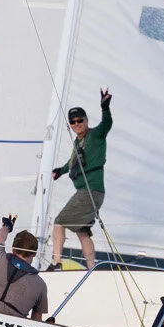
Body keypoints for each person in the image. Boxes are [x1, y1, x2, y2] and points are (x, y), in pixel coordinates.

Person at [48, 88, 112, 269]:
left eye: (79, 120)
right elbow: (72, 162)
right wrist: (59, 171)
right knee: (82, 231)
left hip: (89, 191)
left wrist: (105, 108)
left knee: (59, 222)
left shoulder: (95, 135)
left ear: (86, 120)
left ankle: (57, 263)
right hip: (92, 192)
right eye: (73, 121)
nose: (76, 124)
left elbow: (106, 124)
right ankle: (92, 268)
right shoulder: (78, 142)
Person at [0, 215, 50, 321]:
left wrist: (7, 226)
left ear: (13, 249)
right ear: (34, 254)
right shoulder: (40, 285)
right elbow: (36, 320)